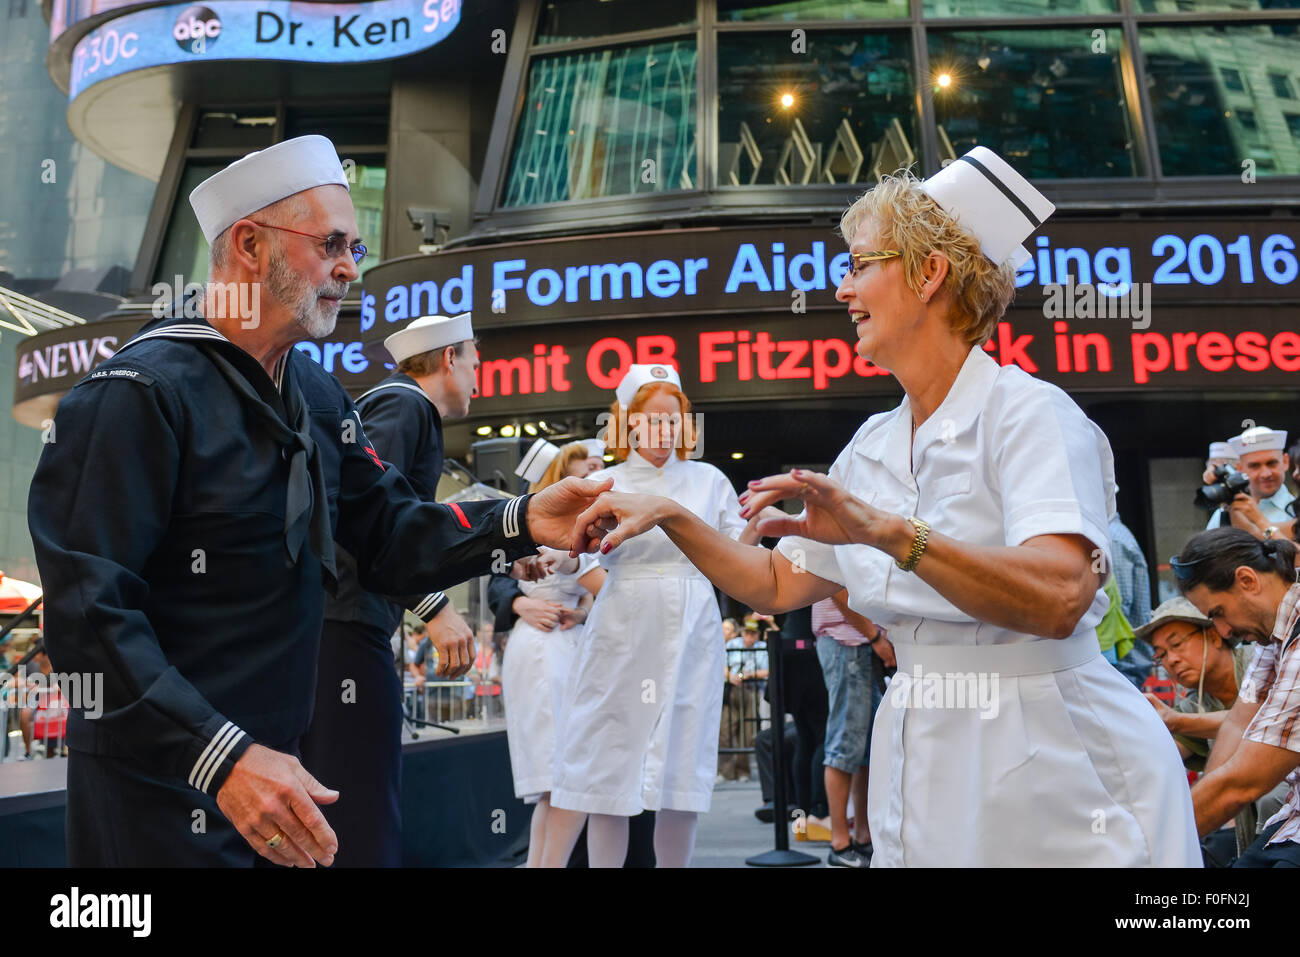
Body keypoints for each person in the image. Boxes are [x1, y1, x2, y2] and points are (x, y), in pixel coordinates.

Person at [569, 147, 1200, 866]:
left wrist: (897, 537)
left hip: (1052, 749)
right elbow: (778, 584)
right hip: (919, 747)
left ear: (930, 273)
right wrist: (671, 517)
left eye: (860, 264)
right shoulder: (870, 444)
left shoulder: (1031, 414)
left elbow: (1059, 594)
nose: (842, 289)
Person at [26, 135, 612, 867]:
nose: (347, 268)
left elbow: (392, 532)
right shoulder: (136, 393)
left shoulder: (314, 391)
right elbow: (88, 618)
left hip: (278, 782)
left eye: (356, 249)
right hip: (160, 797)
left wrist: (523, 521)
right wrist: (224, 758)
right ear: (248, 244)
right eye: (331, 243)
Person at [541, 363, 772, 868]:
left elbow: (737, 553)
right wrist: (554, 557)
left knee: (681, 769)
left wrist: (763, 521)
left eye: (674, 420)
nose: (665, 430)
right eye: (653, 419)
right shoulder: (607, 482)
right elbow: (577, 553)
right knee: (609, 765)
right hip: (624, 626)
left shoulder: (708, 480)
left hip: (695, 626)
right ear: (628, 423)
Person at [299, 311, 481, 866]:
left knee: (357, 789)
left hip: (348, 624)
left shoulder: (404, 405)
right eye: (475, 361)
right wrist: (434, 606)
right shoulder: (405, 405)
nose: (478, 376)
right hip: (345, 627)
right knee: (357, 792)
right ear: (449, 358)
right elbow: (363, 518)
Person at [501, 440, 606, 867]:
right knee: (570, 777)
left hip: (548, 646)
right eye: (585, 473)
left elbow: (590, 590)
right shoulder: (560, 530)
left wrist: (582, 610)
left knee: (556, 782)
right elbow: (608, 589)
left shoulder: (532, 526)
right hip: (549, 652)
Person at [1174, 528, 1300, 867]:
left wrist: (1153, 845)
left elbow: (1243, 782)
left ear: (1247, 580)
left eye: (1218, 613)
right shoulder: (1273, 632)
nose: (1224, 631)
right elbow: (1236, 724)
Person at [1136, 596, 1285, 864]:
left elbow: (1264, 717)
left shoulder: (1263, 662)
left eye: (1177, 644)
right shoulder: (1192, 705)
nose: (1172, 660)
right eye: (1161, 654)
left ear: (1215, 636)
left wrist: (1175, 721)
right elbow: (1164, 756)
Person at [813, 589, 892, 867]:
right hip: (848, 640)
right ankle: (840, 841)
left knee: (864, 751)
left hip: (857, 641)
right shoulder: (839, 544)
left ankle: (860, 835)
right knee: (845, 745)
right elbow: (835, 586)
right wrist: (874, 636)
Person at [1206, 426, 1294, 532]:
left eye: (1271, 463)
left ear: (1285, 462)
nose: (1265, 474)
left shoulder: (1295, 510)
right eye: (1255, 466)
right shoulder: (1223, 513)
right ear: (1240, 468)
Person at [718, 615, 769, 781]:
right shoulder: (733, 644)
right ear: (742, 633)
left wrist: (749, 675)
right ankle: (725, 772)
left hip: (750, 690)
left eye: (753, 633)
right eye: (747, 633)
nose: (749, 637)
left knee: (746, 734)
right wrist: (730, 675)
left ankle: (743, 771)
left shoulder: (762, 647)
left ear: (758, 635)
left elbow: (767, 670)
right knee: (725, 730)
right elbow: (721, 663)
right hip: (731, 689)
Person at [1108, 512, 1154, 689]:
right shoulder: (1114, 535)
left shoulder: (1112, 539)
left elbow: (1119, 608)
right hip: (1125, 664)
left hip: (1123, 665)